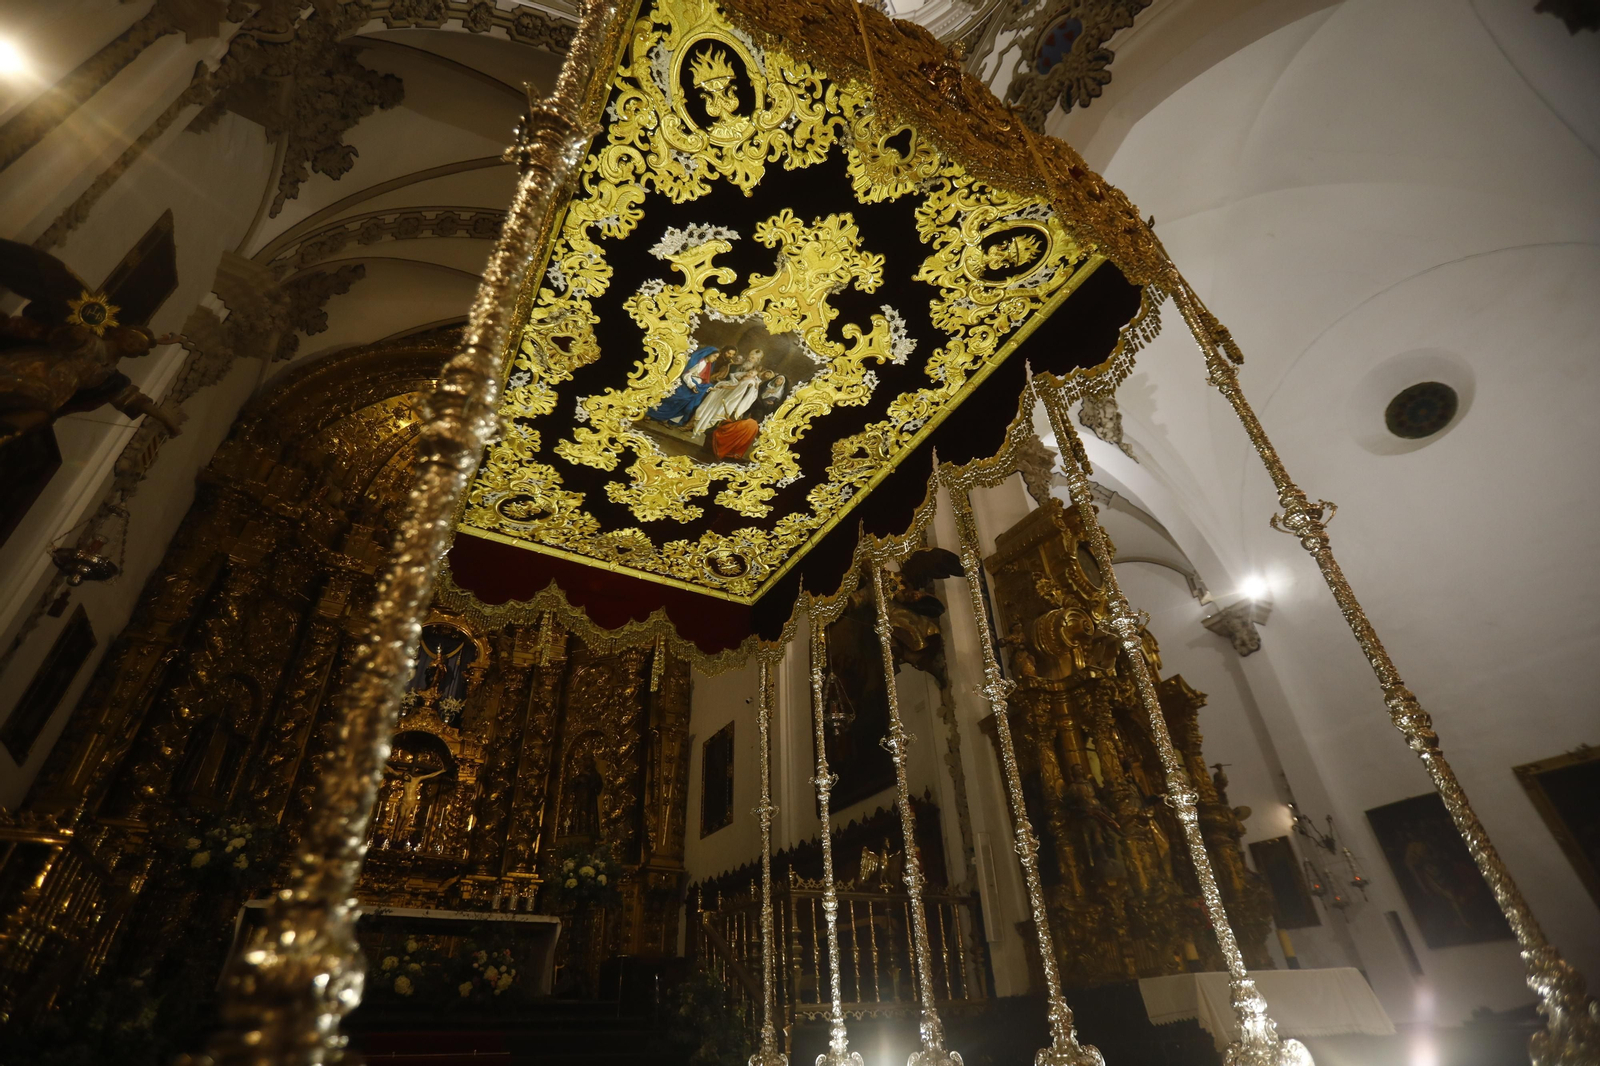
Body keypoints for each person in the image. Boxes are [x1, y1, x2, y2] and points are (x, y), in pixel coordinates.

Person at [646, 344, 733, 425]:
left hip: (695, 388)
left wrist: (707, 388)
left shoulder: (708, 365)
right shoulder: (699, 363)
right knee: (672, 401)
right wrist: (693, 385)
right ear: (708, 354)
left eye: (716, 357)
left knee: (682, 406)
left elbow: (703, 380)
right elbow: (686, 374)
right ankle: (651, 414)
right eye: (714, 356)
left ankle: (665, 419)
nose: (715, 359)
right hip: (686, 387)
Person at [709, 373, 787, 460]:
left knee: (746, 431)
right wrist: (763, 402)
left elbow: (768, 407)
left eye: (781, 380)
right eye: (778, 378)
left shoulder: (778, 396)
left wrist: (765, 403)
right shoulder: (764, 387)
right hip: (750, 410)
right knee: (738, 426)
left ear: (782, 383)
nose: (778, 380)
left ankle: (732, 451)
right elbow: (755, 399)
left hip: (759, 417)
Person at [689, 350, 765, 438]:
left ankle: (708, 432)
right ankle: (693, 425)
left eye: (753, 358)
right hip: (723, 390)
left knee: (721, 413)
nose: (749, 358)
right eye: (749, 356)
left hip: (733, 396)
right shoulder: (734, 366)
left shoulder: (755, 375)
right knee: (709, 404)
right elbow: (725, 376)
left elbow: (751, 389)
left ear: (757, 360)